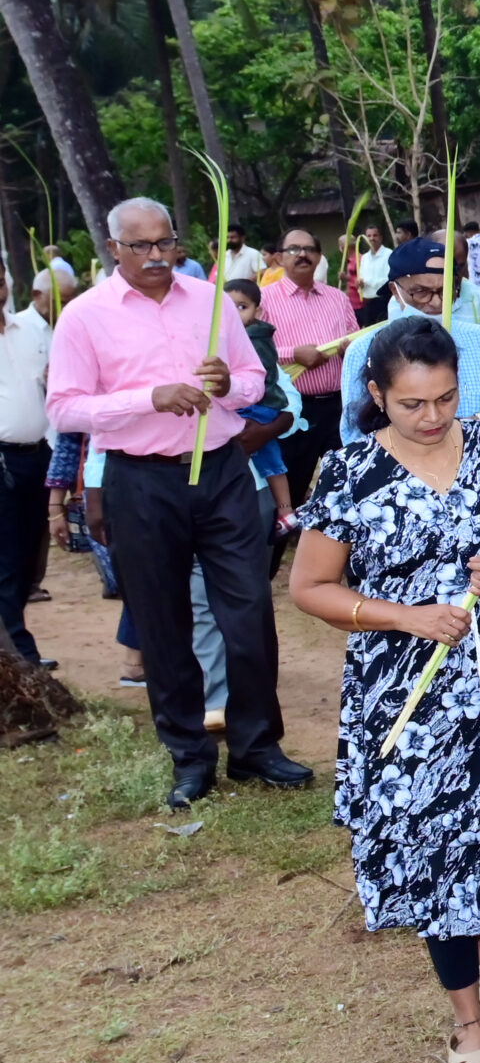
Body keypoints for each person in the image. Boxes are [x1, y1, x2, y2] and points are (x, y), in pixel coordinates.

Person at [286, 317, 480, 1063]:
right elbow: (310, 586)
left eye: (445, 398)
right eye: (412, 403)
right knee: (439, 848)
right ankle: (469, 1023)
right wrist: (404, 616)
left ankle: (472, 939)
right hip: (405, 698)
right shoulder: (348, 472)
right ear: (376, 394)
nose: (432, 416)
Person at [44, 197, 312, 807]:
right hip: (140, 479)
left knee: (249, 612)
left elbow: (254, 380)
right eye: (140, 246)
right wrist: (149, 398)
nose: (157, 256)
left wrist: (230, 385)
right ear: (113, 248)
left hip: (221, 471)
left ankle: (256, 747)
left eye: (165, 242)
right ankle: (190, 757)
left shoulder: (211, 301)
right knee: (163, 620)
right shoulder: (85, 316)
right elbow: (64, 408)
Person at [338, 240, 480, 443]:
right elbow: (353, 435)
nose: (436, 303)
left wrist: (466, 427)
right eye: (421, 292)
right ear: (395, 290)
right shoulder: (363, 350)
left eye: (445, 291)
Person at [262, 228, 360, 509]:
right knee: (292, 484)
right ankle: (285, 530)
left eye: (309, 249)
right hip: (292, 410)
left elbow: (355, 338)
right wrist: (293, 354)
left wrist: (350, 349)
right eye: (294, 249)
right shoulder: (264, 299)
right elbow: (252, 351)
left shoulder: (337, 298)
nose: (302, 254)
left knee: (346, 483)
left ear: (319, 257)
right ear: (279, 258)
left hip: (338, 406)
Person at [0, 261, 52, 666]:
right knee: (6, 555)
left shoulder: (30, 329)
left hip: (37, 455)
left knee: (28, 556)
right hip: (2, 459)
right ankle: (20, 652)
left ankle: (14, 647)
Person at [221, 281, 299, 542]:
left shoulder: (254, 339)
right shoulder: (218, 339)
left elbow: (289, 398)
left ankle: (285, 510)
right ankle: (286, 510)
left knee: (261, 454)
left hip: (257, 412)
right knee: (271, 458)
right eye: (227, 307)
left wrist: (274, 426)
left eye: (241, 307)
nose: (233, 314)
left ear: (258, 311)